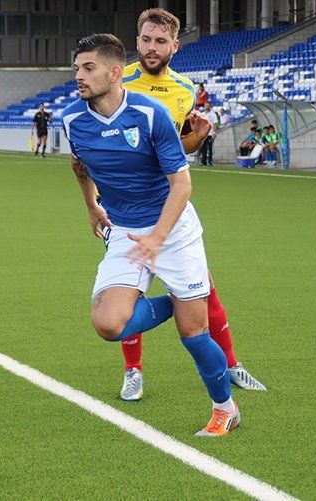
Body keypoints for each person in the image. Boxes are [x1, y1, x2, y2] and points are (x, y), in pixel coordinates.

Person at [64, 33, 240, 436]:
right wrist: (91, 205)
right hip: (125, 230)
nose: (79, 76)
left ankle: (224, 408)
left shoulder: (150, 114)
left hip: (173, 229)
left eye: (88, 68)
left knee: (194, 335)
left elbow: (182, 185)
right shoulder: (72, 118)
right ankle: (179, 303)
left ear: (113, 72)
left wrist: (158, 238)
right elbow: (79, 165)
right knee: (110, 324)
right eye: (77, 68)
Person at [114, 8, 267, 401]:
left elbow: (175, 152)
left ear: (174, 46)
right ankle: (133, 372)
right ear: (137, 41)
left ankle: (231, 364)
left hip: (171, 205)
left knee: (207, 287)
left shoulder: (184, 89)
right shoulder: (117, 82)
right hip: (128, 208)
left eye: (160, 41)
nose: (152, 47)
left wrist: (196, 139)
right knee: (128, 295)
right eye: (146, 39)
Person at [200, 101, 218, 166]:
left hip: (210, 134)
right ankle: (203, 162)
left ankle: (209, 162)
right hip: (203, 134)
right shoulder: (202, 114)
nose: (207, 106)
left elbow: (215, 123)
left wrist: (215, 132)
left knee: (209, 148)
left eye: (208, 105)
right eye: (205, 105)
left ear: (210, 106)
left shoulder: (213, 114)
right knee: (203, 148)